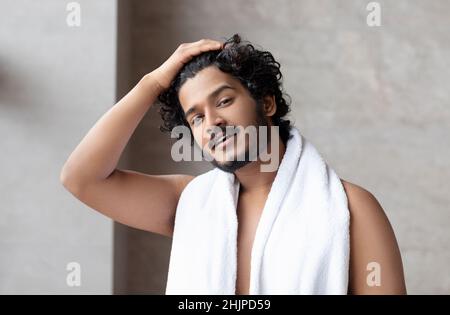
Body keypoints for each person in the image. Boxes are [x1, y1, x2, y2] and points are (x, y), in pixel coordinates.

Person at [60, 33, 406, 295]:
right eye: (196, 118)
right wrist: (152, 83)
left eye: (224, 101)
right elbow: (82, 178)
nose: (212, 123)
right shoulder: (190, 203)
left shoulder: (350, 208)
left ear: (267, 103)